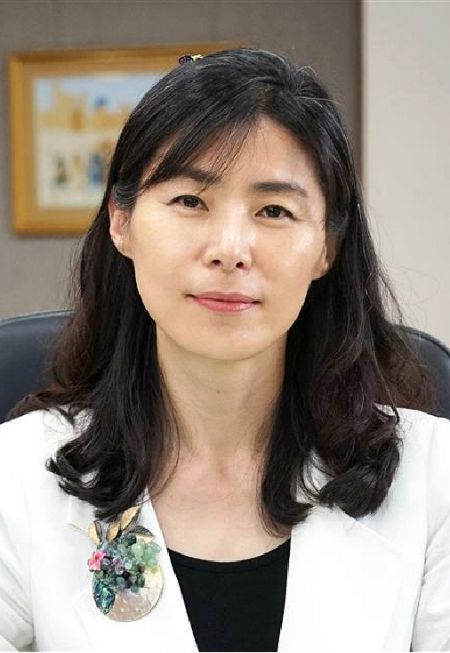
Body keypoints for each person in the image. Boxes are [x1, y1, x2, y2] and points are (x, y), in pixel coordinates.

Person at [0, 46, 449, 653]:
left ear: (327, 247)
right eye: (190, 201)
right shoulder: (20, 475)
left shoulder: (433, 478)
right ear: (121, 221)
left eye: (274, 210)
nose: (231, 249)